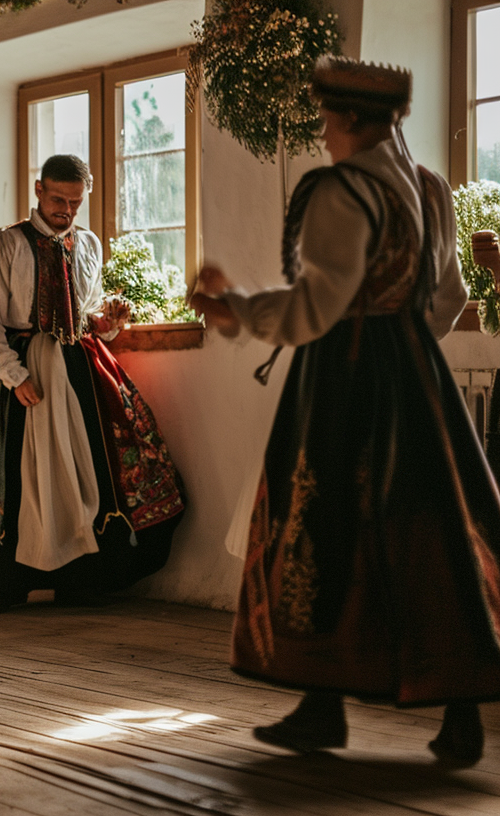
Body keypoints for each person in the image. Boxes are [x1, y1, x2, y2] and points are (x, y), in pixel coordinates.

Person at [190, 56, 500, 767]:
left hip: (345, 375)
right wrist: (408, 348)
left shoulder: (338, 190)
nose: (323, 134)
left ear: (354, 121)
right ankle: (456, 714)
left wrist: (230, 307)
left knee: (322, 522)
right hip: (416, 374)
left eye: (328, 121)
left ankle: (322, 704)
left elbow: (314, 306)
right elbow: (446, 296)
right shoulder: (428, 187)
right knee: (429, 528)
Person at [0, 154, 185, 614]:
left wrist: (106, 322)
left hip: (78, 369)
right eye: (58, 200)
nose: (66, 210)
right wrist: (13, 374)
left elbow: (85, 313)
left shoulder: (87, 244)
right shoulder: (5, 244)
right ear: (38, 190)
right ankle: (10, 579)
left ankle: (81, 577)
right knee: (18, 473)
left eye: (75, 202)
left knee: (85, 468)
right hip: (18, 368)